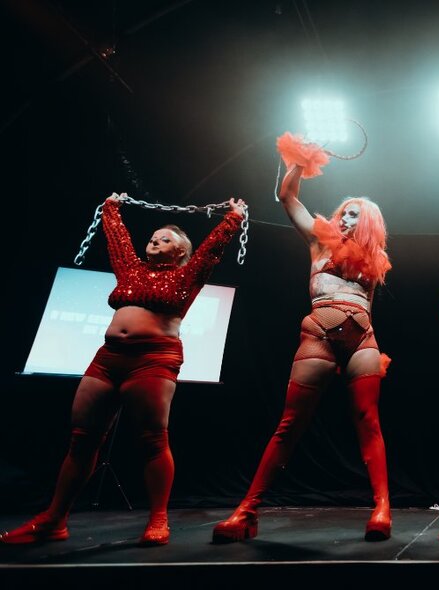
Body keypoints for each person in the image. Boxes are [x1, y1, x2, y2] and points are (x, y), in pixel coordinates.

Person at [1, 194, 246, 547]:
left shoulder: (188, 275)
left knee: (152, 439)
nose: (155, 241)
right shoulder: (130, 270)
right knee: (82, 440)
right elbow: (117, 238)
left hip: (154, 358)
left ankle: (158, 520)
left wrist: (232, 218)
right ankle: (55, 520)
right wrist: (111, 207)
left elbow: (210, 250)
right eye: (153, 237)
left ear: (180, 252)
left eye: (166, 239)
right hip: (109, 356)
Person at [212, 133, 393, 543]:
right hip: (319, 334)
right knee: (290, 423)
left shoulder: (375, 261)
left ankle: (382, 507)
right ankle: (247, 511)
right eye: (344, 212)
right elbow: (287, 196)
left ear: (368, 223)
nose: (346, 219)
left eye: (355, 215)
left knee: (369, 421)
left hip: (363, 337)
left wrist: (376, 349)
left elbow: (368, 303)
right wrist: (303, 158)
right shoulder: (318, 239)